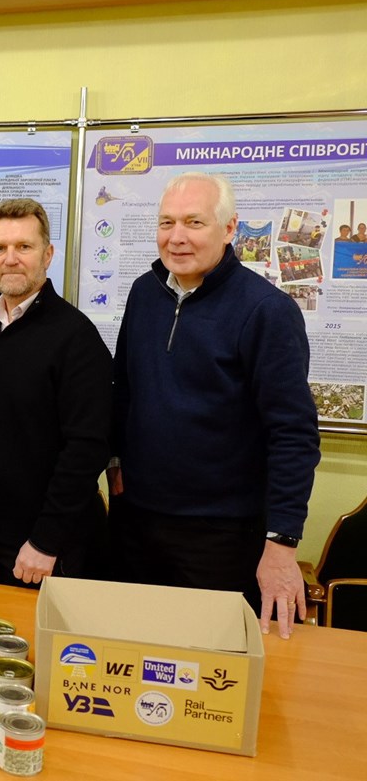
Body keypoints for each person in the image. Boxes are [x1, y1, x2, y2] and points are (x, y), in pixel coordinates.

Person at [109, 172, 320, 639]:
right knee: (132, 657)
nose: (177, 237)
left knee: (206, 672)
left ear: (229, 229)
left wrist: (282, 544)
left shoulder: (267, 311)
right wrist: (117, 458)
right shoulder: (145, 292)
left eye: (194, 222)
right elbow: (124, 385)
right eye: (167, 222)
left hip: (220, 537)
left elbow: (294, 434)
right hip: (136, 521)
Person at [0, 199, 111, 587]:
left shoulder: (77, 339)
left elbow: (87, 449)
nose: (10, 259)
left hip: (49, 548)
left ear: (47, 255)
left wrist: (46, 540)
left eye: (23, 247)